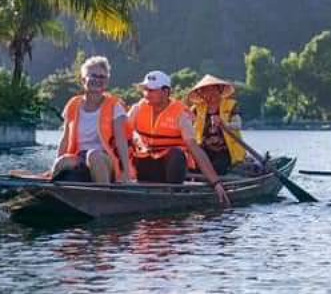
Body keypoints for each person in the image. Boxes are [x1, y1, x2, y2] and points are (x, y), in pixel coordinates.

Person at [128, 70, 230, 206]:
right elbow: (120, 136)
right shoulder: (137, 109)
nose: (146, 94)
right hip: (145, 166)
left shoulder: (180, 114)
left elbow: (195, 149)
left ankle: (173, 195)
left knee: (177, 154)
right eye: (145, 90)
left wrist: (216, 182)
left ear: (165, 92)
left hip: (168, 170)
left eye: (151, 90)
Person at [48, 56, 135, 183]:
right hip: (80, 157)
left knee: (94, 155)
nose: (97, 80)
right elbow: (65, 139)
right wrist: (57, 161)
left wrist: (127, 173)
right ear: (83, 80)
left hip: (106, 159)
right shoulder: (73, 104)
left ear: (106, 81)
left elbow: (121, 141)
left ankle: (104, 196)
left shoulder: (115, 106)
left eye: (102, 77)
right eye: (93, 76)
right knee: (62, 162)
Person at [186, 74, 246, 175]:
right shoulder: (196, 109)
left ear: (220, 90)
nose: (210, 94)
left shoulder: (231, 105)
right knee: (193, 168)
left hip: (226, 150)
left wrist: (225, 124)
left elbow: (238, 124)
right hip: (203, 150)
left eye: (213, 90)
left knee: (218, 168)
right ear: (201, 94)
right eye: (206, 91)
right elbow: (187, 125)